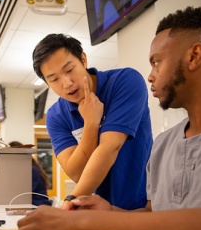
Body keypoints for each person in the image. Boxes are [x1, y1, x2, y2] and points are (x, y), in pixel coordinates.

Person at [17, 6, 201, 230]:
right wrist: (109, 213)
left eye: (157, 63)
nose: (149, 76)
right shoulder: (165, 144)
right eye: (54, 79)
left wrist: (78, 222)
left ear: (194, 56)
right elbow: (156, 215)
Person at [32, 33, 153, 210]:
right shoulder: (56, 115)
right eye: (54, 79)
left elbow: (110, 147)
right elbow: (77, 173)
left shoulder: (125, 81)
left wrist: (70, 201)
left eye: (69, 70)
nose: (67, 83)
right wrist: (91, 124)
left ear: (83, 60)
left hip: (142, 206)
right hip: (98, 210)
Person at [9, 141, 52, 206]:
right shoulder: (29, 168)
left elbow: (23, 193)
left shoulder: (31, 170)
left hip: (38, 206)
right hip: (34, 205)